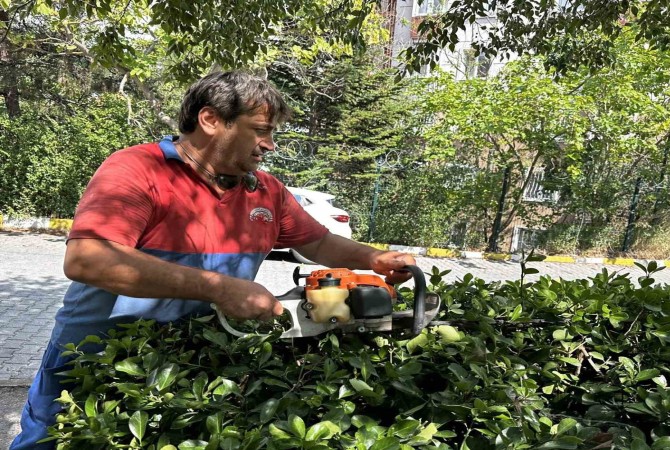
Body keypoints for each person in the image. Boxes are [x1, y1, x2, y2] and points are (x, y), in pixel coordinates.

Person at [11, 71, 416, 449]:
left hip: (194, 366)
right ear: (210, 120)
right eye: (260, 130)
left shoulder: (266, 191)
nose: (270, 144)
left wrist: (375, 258)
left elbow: (320, 242)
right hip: (95, 361)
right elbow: (88, 260)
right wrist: (221, 289)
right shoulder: (137, 169)